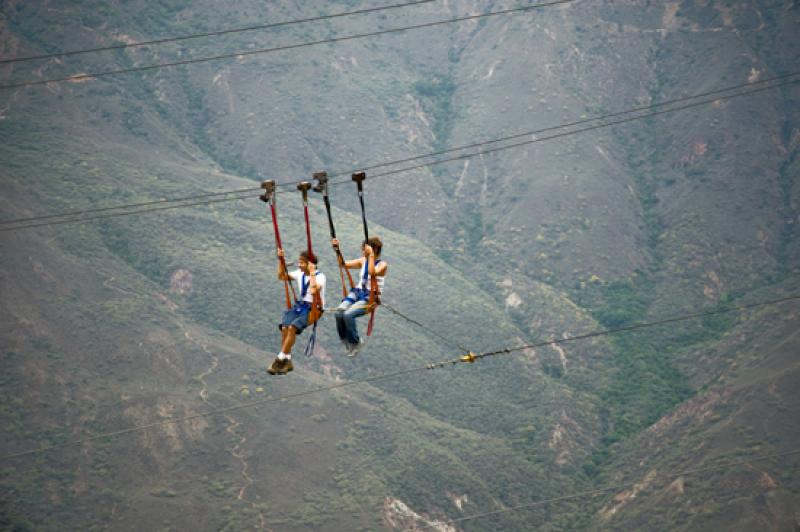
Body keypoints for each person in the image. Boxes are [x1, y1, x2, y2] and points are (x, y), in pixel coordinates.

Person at [267, 249, 326, 375]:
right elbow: (282, 276)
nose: (299, 265)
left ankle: (280, 358)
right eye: (299, 262)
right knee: (284, 327)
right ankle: (287, 360)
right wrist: (281, 262)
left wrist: (312, 273)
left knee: (293, 327)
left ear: (310, 264)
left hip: (314, 308)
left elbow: (314, 290)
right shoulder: (300, 273)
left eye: (302, 263)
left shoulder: (320, 276)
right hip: (302, 305)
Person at [332, 236, 388, 356]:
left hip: (370, 297)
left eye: (365, 250)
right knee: (339, 312)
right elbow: (343, 264)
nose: (363, 252)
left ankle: (356, 342)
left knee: (348, 315)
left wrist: (371, 256)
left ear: (374, 250)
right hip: (357, 292)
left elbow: (372, 272)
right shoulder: (363, 260)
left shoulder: (382, 265)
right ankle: (345, 340)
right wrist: (337, 250)